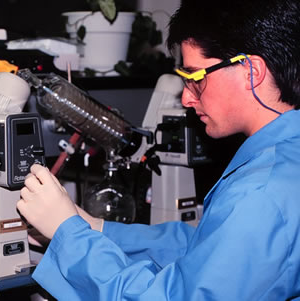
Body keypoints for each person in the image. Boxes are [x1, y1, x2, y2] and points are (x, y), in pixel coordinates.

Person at [16, 0, 300, 299]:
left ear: (251, 72)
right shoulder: (284, 162)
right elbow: (205, 248)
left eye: (195, 78)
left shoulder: (259, 192)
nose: (187, 98)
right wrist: (95, 227)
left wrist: (68, 235)